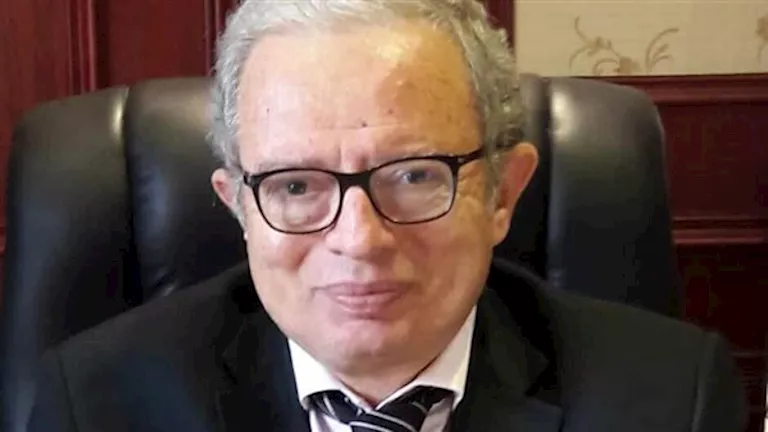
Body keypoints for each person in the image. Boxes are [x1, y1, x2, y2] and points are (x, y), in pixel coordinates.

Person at [28, 1, 745, 431]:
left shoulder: (669, 401)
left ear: (502, 193)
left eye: (414, 175)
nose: (359, 240)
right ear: (240, 206)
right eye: (296, 186)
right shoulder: (98, 404)